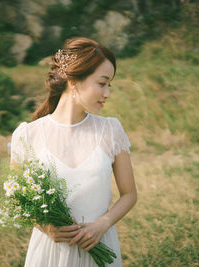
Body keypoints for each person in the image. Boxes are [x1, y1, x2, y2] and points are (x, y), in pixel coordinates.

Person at [10, 37, 137, 267]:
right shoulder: (28, 135)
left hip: (99, 247)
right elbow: (19, 198)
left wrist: (103, 224)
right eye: (102, 83)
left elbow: (129, 194)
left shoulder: (110, 130)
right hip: (50, 253)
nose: (107, 93)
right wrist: (47, 228)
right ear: (73, 81)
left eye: (110, 85)